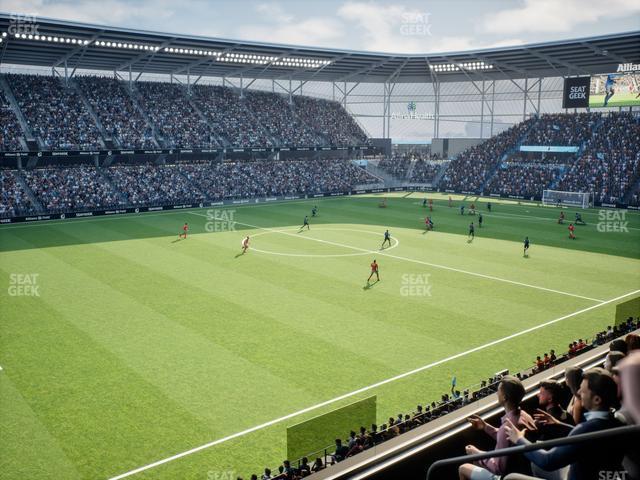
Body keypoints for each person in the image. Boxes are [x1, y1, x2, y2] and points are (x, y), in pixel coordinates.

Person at [505, 368, 625, 480]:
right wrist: (558, 424)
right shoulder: (618, 420)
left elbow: (547, 461)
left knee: (510, 478)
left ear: (597, 400)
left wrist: (519, 439)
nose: (578, 392)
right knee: (535, 466)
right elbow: (586, 437)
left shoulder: (587, 429)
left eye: (582, 390)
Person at [458, 376, 535, 479]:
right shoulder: (525, 416)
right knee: (477, 460)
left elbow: (497, 468)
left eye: (498, 391)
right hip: (524, 471)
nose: (496, 393)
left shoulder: (507, 426)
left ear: (504, 397)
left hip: (508, 476)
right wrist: (485, 426)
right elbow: (508, 438)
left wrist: (475, 452)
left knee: (463, 468)